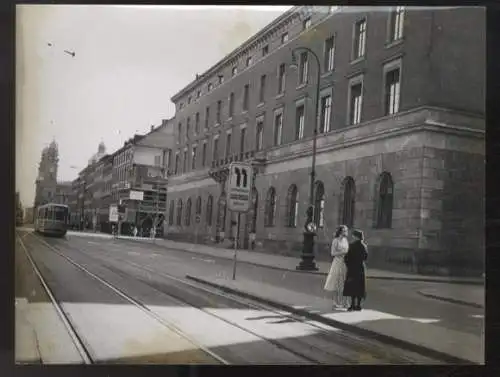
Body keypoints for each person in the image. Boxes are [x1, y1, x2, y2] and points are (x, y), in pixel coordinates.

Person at [323, 225, 350, 310]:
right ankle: (335, 302)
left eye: (346, 231)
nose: (346, 232)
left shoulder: (345, 240)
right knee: (336, 282)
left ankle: (345, 302)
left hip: (345, 263)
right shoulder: (336, 241)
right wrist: (342, 252)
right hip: (337, 262)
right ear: (341, 232)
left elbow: (348, 250)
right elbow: (333, 253)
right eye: (345, 231)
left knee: (344, 283)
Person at [343, 229, 368, 311]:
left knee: (352, 286)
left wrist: (348, 265)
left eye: (353, 236)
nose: (352, 237)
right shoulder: (364, 246)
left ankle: (352, 304)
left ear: (355, 236)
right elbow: (365, 257)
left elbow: (346, 258)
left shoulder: (352, 246)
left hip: (352, 268)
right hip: (360, 268)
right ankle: (359, 305)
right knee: (360, 286)